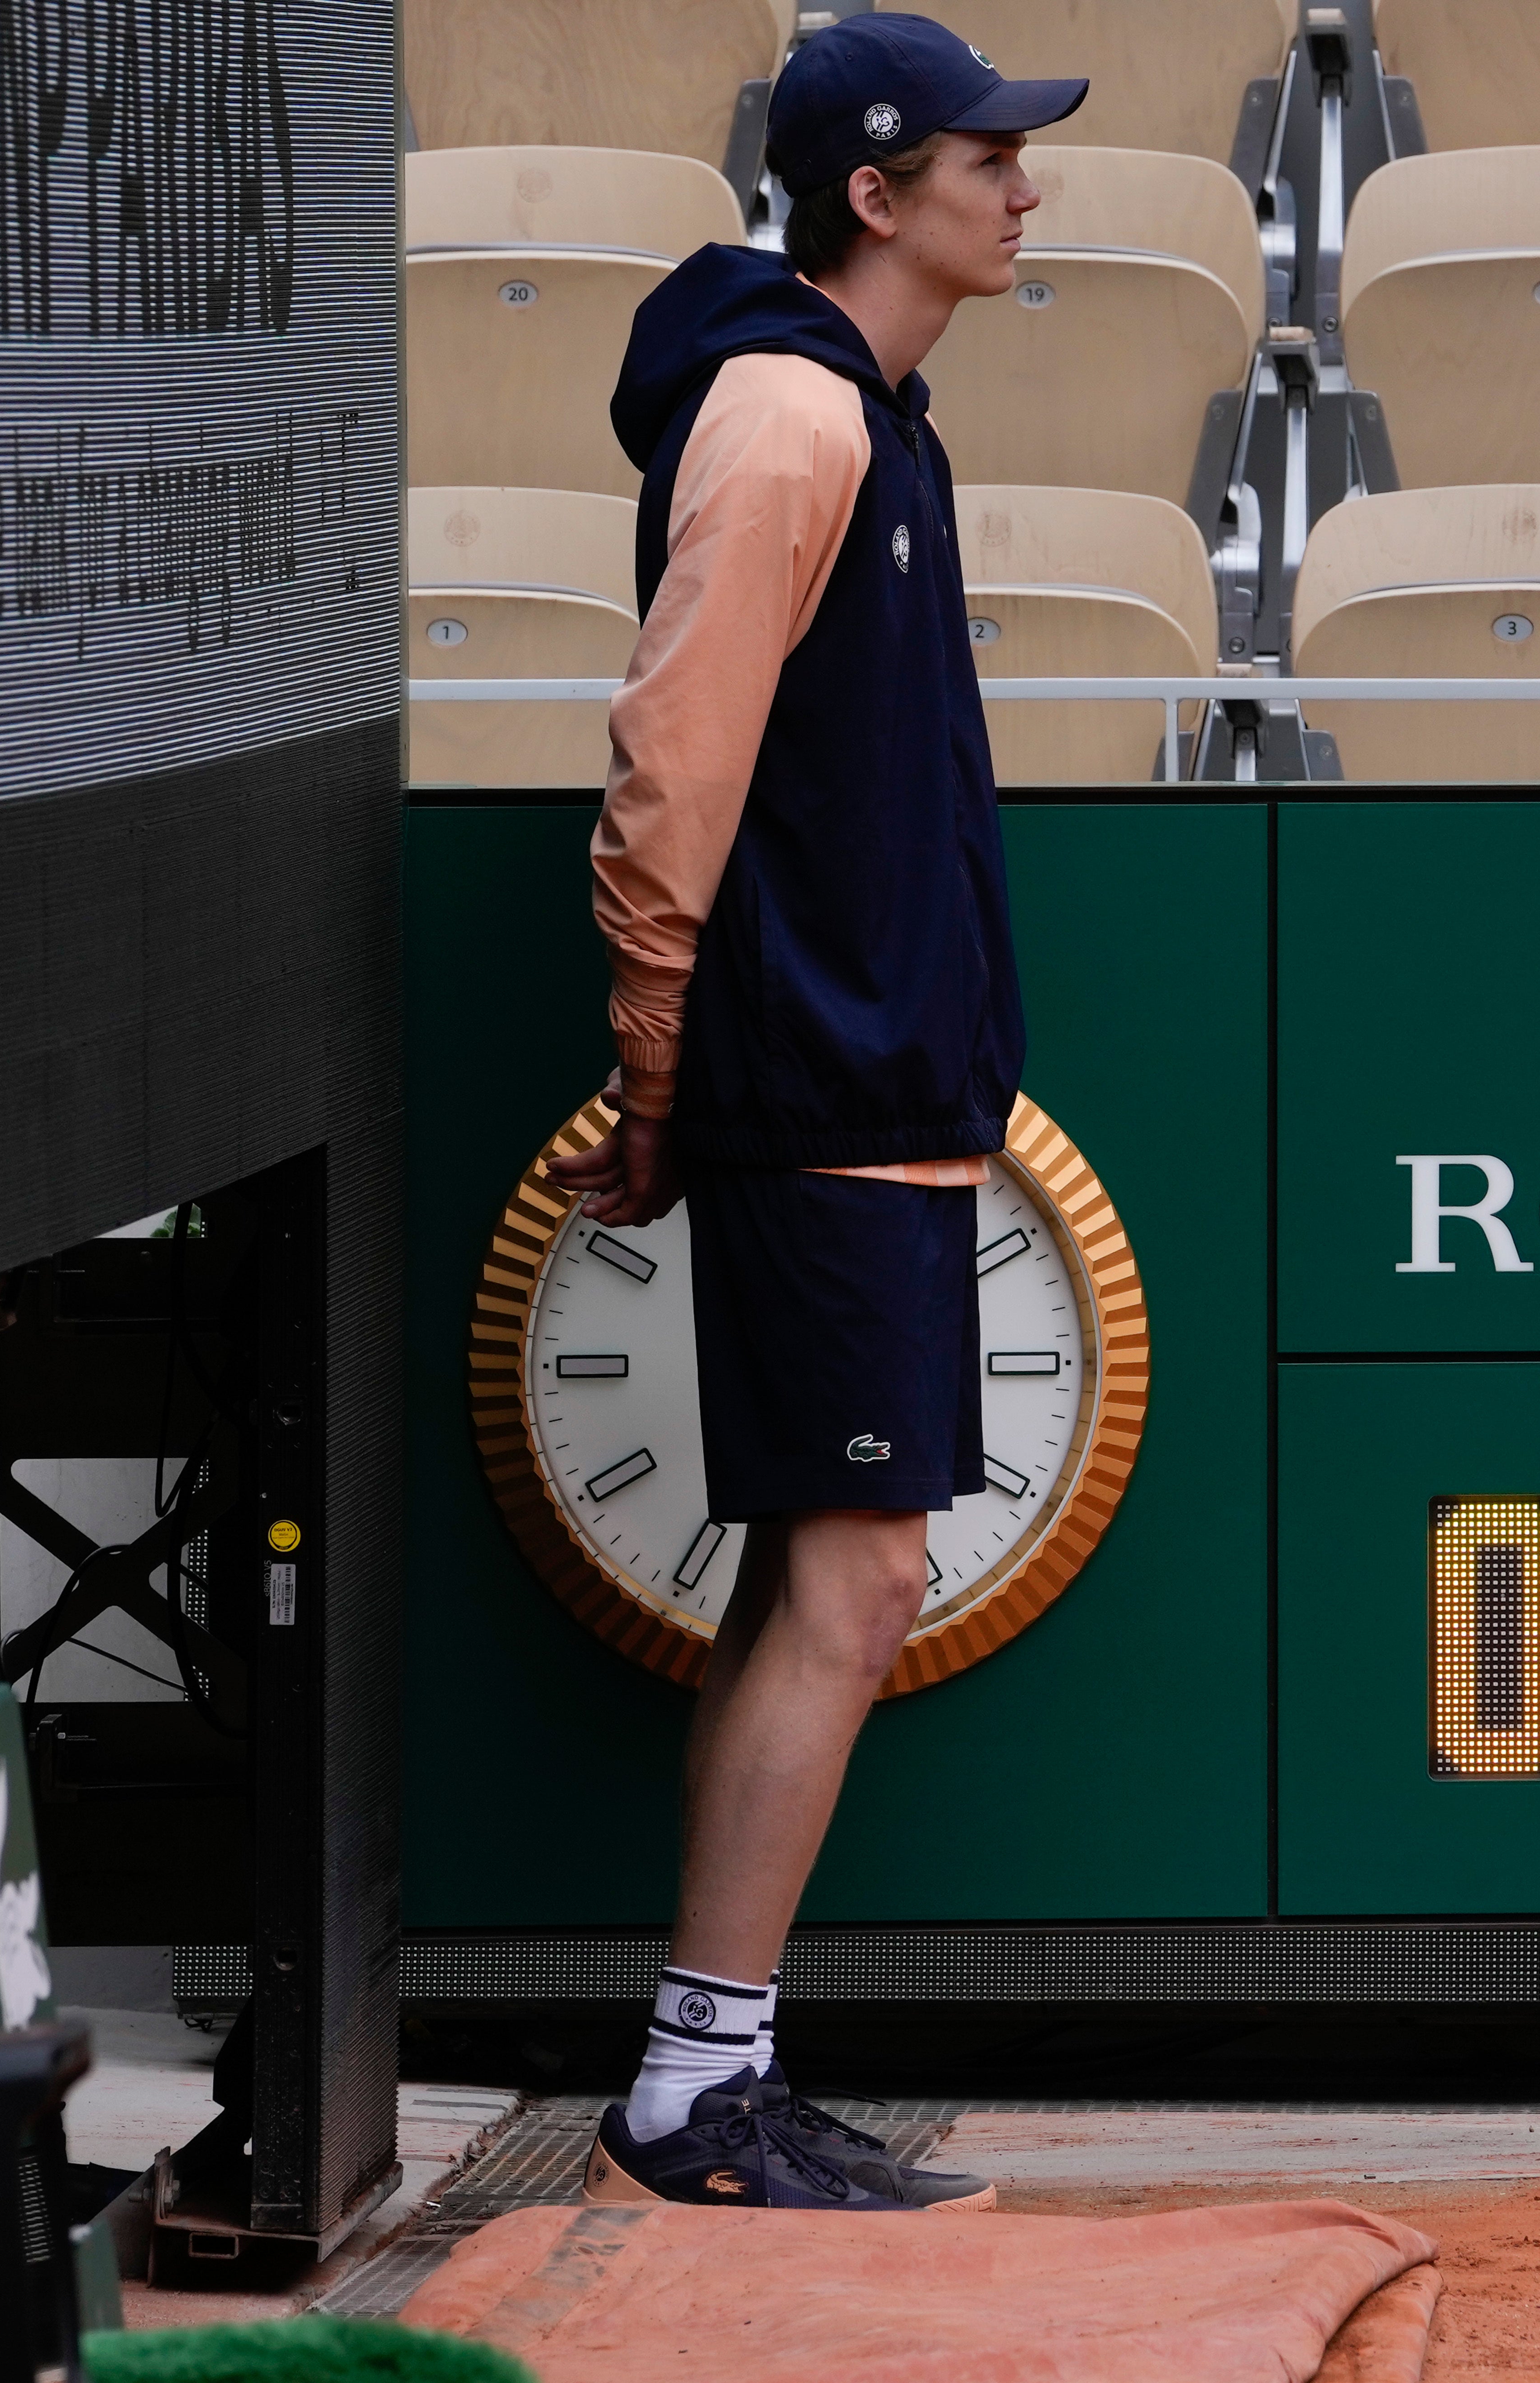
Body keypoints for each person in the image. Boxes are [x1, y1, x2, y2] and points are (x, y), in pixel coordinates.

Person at [541, 14, 1084, 2210]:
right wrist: (660, 1058)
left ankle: (714, 2066)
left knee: (815, 1579)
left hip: (864, 1083)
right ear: (874, 190)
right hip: (811, 1085)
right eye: (986, 156)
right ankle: (693, 2088)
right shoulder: (783, 414)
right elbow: (670, 772)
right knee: (856, 1585)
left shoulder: (864, 412)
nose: (1022, 186)